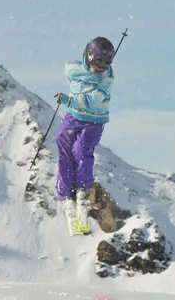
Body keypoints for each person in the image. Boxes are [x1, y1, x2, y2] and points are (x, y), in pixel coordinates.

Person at [53, 36, 116, 236]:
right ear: (88, 54)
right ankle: (65, 193)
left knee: (81, 150)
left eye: (106, 63)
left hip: (94, 120)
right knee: (63, 146)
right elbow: (73, 79)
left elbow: (90, 100)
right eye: (98, 62)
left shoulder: (107, 79)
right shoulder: (72, 68)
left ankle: (82, 189)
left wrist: (68, 100)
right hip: (73, 117)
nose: (100, 67)